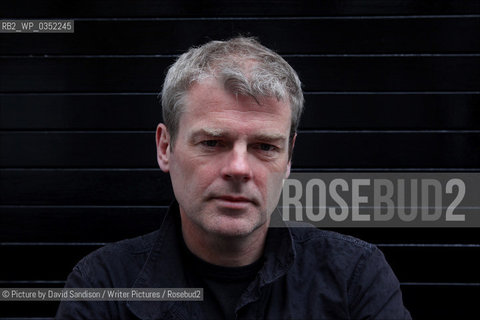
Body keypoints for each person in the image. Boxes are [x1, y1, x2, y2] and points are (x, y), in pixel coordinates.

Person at [56, 37, 411, 319]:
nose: (239, 169)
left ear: (289, 157)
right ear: (166, 148)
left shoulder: (355, 279)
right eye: (212, 142)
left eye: (264, 147)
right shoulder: (102, 287)